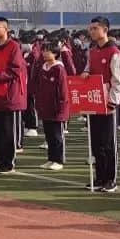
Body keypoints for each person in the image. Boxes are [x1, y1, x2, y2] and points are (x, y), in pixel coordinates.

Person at [80, 16, 120, 192]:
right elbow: (89, 67)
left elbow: (118, 79)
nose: (92, 32)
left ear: (105, 30)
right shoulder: (92, 51)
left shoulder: (114, 52)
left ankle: (111, 179)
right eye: (90, 29)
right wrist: (85, 73)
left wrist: (113, 101)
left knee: (108, 143)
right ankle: (100, 177)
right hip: (93, 101)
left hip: (108, 103)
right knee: (96, 142)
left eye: (95, 28)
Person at [0, 17, 28, 174]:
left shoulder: (14, 47)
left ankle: (9, 163)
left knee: (8, 131)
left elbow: (15, 70)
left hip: (9, 95)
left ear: (6, 29)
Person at [32, 40, 68, 170]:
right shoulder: (43, 67)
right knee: (49, 135)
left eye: (48, 51)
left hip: (56, 107)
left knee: (57, 135)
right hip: (45, 106)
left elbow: (63, 90)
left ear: (55, 53)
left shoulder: (59, 69)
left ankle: (59, 160)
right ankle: (51, 158)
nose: (44, 53)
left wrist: (61, 107)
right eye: (43, 50)